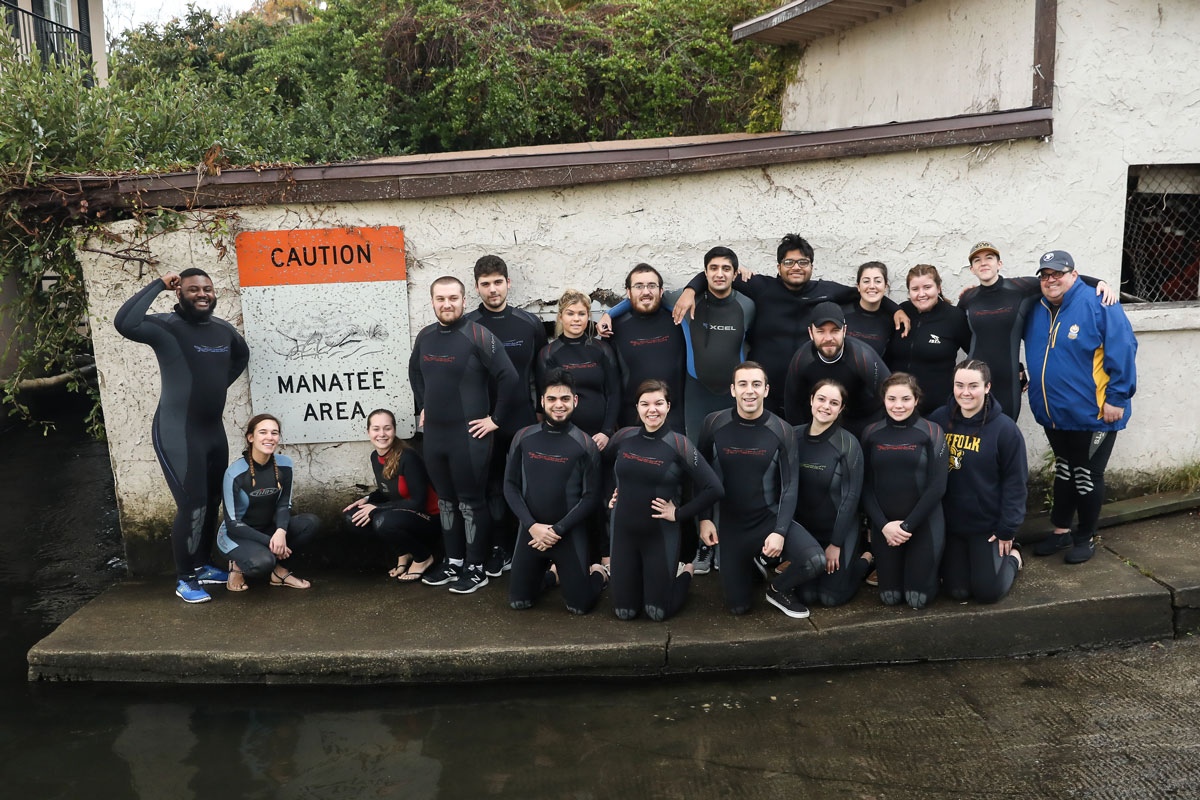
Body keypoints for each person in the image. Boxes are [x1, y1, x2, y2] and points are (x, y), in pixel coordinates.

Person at [114, 269, 249, 604]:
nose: (202, 294)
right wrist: (159, 283)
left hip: (212, 431)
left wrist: (216, 387)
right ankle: (185, 578)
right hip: (178, 431)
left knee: (212, 501)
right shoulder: (166, 328)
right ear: (179, 294)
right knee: (192, 506)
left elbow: (241, 357)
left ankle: (202, 564)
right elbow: (125, 322)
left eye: (207, 288)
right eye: (192, 289)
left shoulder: (223, 330)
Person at [672, 234, 907, 415]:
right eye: (789, 262)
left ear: (812, 266)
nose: (796, 267)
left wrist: (894, 309)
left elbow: (864, 292)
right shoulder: (762, 287)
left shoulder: (826, 291)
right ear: (778, 267)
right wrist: (691, 290)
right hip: (765, 392)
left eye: (803, 262)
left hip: (808, 391)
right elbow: (718, 273)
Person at [409, 276, 521, 594]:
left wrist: (495, 419)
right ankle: (454, 561)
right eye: (440, 298)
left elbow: (509, 377)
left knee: (471, 502)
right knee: (446, 502)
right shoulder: (426, 336)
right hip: (435, 436)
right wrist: (422, 406)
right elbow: (414, 371)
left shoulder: (477, 335)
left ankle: (476, 567)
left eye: (453, 298)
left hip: (470, 437)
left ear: (463, 300)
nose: (447, 304)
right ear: (432, 301)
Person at [1024, 250, 1137, 564]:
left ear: (1073, 274)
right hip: (1055, 414)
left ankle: (1085, 537)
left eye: (1058, 273)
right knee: (1064, 471)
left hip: (1096, 414)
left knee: (1086, 475)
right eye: (1045, 275)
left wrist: (1118, 397)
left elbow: (1124, 349)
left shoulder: (1099, 303)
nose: (1051, 280)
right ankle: (1061, 531)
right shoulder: (1037, 307)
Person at [698, 362, 825, 618]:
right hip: (731, 527)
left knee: (815, 561)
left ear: (766, 390)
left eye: (756, 384)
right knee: (738, 608)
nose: (750, 391)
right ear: (732, 390)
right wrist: (703, 519)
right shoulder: (713, 424)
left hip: (768, 520)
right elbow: (700, 478)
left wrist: (779, 532)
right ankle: (752, 564)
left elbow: (790, 486)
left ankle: (777, 589)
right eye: (743, 384)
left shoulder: (781, 430)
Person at [606, 380, 724, 621]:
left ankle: (686, 573)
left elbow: (714, 488)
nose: (652, 410)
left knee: (657, 613)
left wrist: (678, 513)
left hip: (659, 536)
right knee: (624, 612)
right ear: (637, 407)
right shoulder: (623, 437)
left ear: (668, 406)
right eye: (645, 404)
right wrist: (611, 493)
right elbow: (601, 467)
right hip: (623, 533)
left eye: (659, 403)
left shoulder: (679, 444)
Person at [958, 241, 1115, 420]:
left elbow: (1061, 279)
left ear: (999, 264)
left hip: (1008, 380)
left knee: (1004, 434)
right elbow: (965, 338)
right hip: (974, 381)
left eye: (989, 258)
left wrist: (1099, 282)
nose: (983, 263)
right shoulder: (967, 299)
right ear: (971, 269)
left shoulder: (1020, 288)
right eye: (977, 260)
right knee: (972, 436)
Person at [466, 255, 548, 575]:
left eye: (498, 282)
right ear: (477, 287)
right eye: (485, 284)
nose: (492, 289)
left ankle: (531, 544)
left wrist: (542, 412)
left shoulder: (529, 323)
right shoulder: (470, 325)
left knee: (529, 486)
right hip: (483, 423)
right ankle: (500, 548)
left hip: (523, 420)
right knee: (493, 487)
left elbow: (541, 373)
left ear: (508, 283)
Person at [504, 370, 608, 614]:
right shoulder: (523, 437)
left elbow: (591, 497)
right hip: (531, 532)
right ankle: (552, 577)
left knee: (579, 607)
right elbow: (510, 486)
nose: (558, 405)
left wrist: (557, 530)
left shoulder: (585, 444)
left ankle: (599, 575)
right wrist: (531, 525)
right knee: (519, 603)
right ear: (542, 401)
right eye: (551, 399)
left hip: (567, 534)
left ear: (575, 401)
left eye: (564, 398)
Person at [928, 360, 1027, 602]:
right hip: (951, 526)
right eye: (959, 385)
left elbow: (1016, 484)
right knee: (956, 592)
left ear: (987, 387)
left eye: (973, 385)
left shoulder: (1005, 430)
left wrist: (1007, 529)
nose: (965, 392)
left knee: (987, 593)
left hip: (987, 527)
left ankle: (1014, 557)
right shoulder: (939, 420)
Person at [860, 373, 948, 609]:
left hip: (922, 525)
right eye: (892, 399)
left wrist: (906, 526)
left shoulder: (932, 431)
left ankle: (932, 575)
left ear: (916, 399)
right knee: (889, 598)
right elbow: (865, 486)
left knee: (916, 599)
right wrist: (883, 526)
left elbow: (938, 486)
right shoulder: (870, 433)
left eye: (905, 399)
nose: (898, 406)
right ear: (884, 400)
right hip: (885, 529)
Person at [791, 379, 871, 609]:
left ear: (841, 409)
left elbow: (851, 497)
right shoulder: (793, 437)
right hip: (807, 533)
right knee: (806, 597)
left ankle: (864, 560)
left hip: (840, 533)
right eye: (822, 399)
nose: (826, 406)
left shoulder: (848, 444)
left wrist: (835, 544)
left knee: (830, 598)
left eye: (834, 403)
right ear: (811, 401)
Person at [219, 414, 319, 591]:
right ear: (251, 437)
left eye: (274, 433)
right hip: (237, 534)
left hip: (269, 528)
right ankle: (236, 566)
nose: (269, 437)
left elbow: (284, 505)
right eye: (263, 432)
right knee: (263, 562)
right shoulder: (234, 474)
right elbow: (233, 523)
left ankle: (279, 573)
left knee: (310, 523)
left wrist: (280, 531)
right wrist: (271, 541)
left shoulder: (285, 466)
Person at [343, 409, 439, 583]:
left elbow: (418, 501)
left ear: (394, 430)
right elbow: (389, 489)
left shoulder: (408, 457)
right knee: (352, 517)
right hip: (403, 514)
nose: (382, 434)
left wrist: (376, 508)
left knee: (382, 520)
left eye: (387, 428)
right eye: (376, 429)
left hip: (429, 518)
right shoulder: (375, 457)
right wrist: (368, 499)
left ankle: (423, 557)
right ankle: (403, 553)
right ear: (368, 432)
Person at [782, 301, 890, 437]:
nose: (828, 338)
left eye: (835, 331)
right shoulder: (802, 359)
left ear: (844, 331)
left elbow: (891, 393)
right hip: (822, 419)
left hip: (861, 420)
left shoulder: (862, 357)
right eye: (821, 331)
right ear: (811, 333)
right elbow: (792, 404)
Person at [604, 263, 687, 432]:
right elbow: (608, 382)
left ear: (661, 291)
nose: (646, 292)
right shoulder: (614, 328)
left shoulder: (679, 323)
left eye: (651, 286)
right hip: (630, 422)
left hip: (676, 421)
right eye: (639, 286)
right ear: (628, 292)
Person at [886, 265, 971, 415]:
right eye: (915, 289)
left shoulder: (954, 317)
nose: (921, 294)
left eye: (927, 287)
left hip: (938, 411)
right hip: (897, 409)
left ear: (938, 288)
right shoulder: (901, 312)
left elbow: (976, 350)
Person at [842, 261, 893, 358]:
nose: (872, 286)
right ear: (858, 286)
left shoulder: (891, 322)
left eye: (878, 281)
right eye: (866, 281)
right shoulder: (842, 315)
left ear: (885, 286)